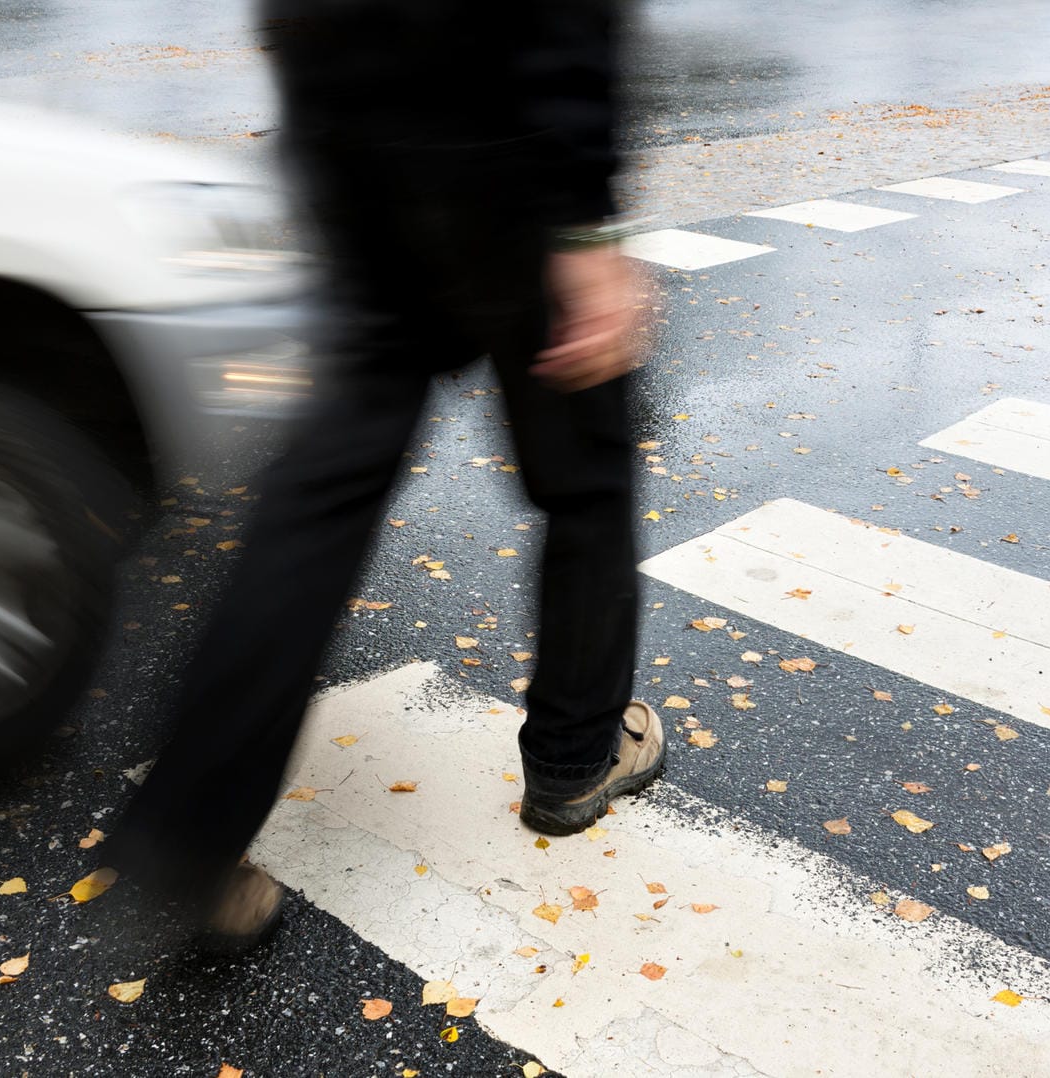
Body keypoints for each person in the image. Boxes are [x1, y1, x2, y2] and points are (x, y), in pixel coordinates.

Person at [104, 0, 661, 949]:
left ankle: (187, 835)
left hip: (350, 131)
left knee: (321, 497)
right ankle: (575, 758)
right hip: (500, 136)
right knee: (588, 474)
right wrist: (581, 226)